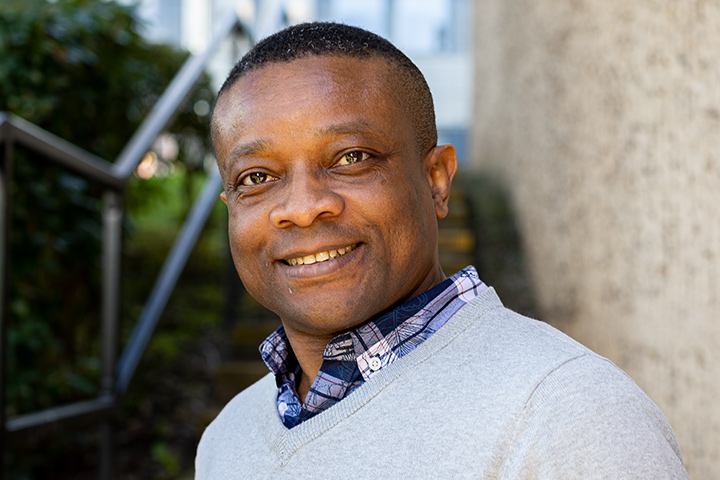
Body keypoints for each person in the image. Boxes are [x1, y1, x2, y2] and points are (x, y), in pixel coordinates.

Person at [196, 22, 688, 479]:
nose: (302, 208)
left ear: (436, 181)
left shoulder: (571, 415)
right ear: (230, 206)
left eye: (352, 157)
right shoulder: (226, 438)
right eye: (256, 177)